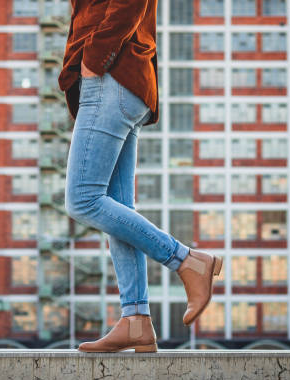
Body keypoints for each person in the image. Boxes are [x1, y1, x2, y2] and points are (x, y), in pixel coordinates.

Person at [57, 0, 222, 353]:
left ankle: (187, 260)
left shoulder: (102, 63)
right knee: (117, 208)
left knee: (83, 199)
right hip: (122, 79)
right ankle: (136, 319)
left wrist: (93, 60)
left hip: (110, 77)